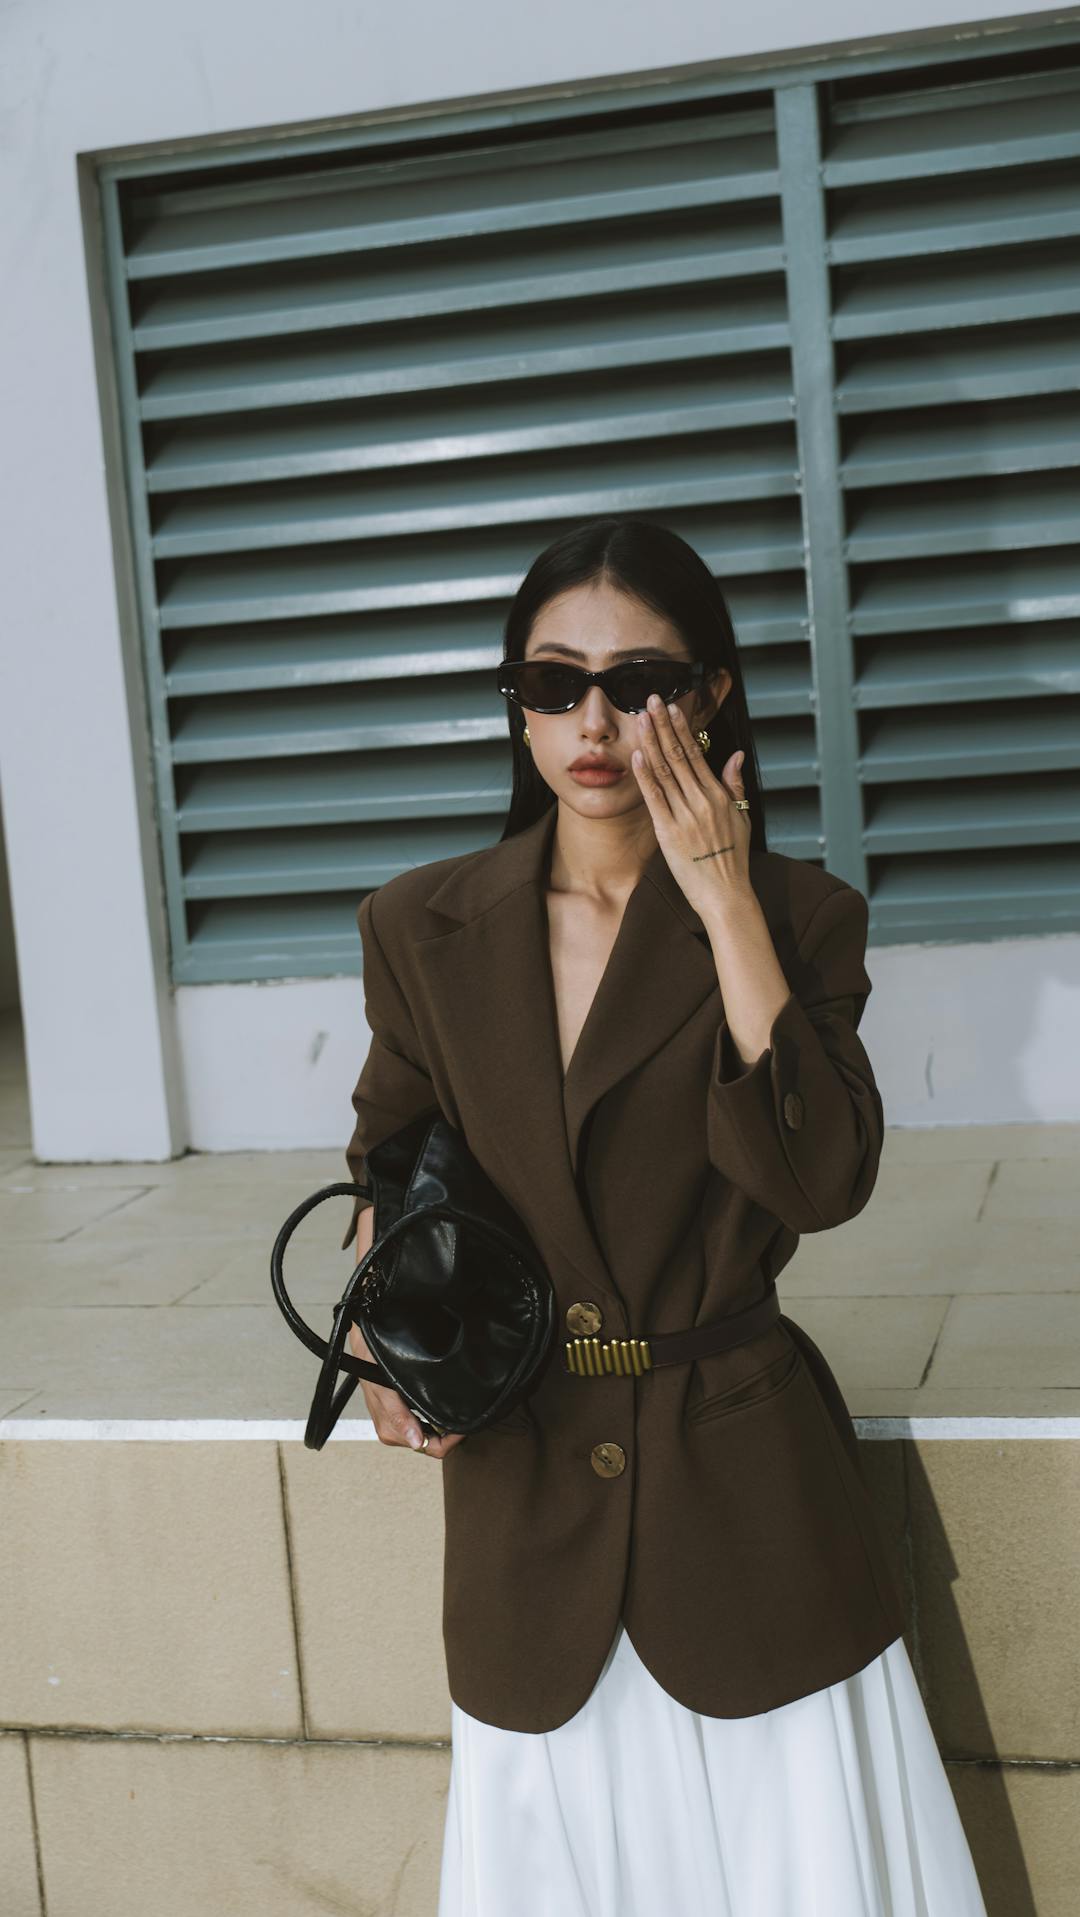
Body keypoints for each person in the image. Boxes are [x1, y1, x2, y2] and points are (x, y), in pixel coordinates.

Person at [340, 516, 988, 1916]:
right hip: (525, 1513)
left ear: (710, 697)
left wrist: (723, 898)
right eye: (551, 683)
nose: (592, 719)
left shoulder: (801, 917)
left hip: (745, 1511)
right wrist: (384, 1346)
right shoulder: (421, 926)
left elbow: (823, 1179)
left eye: (636, 682)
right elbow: (392, 1172)